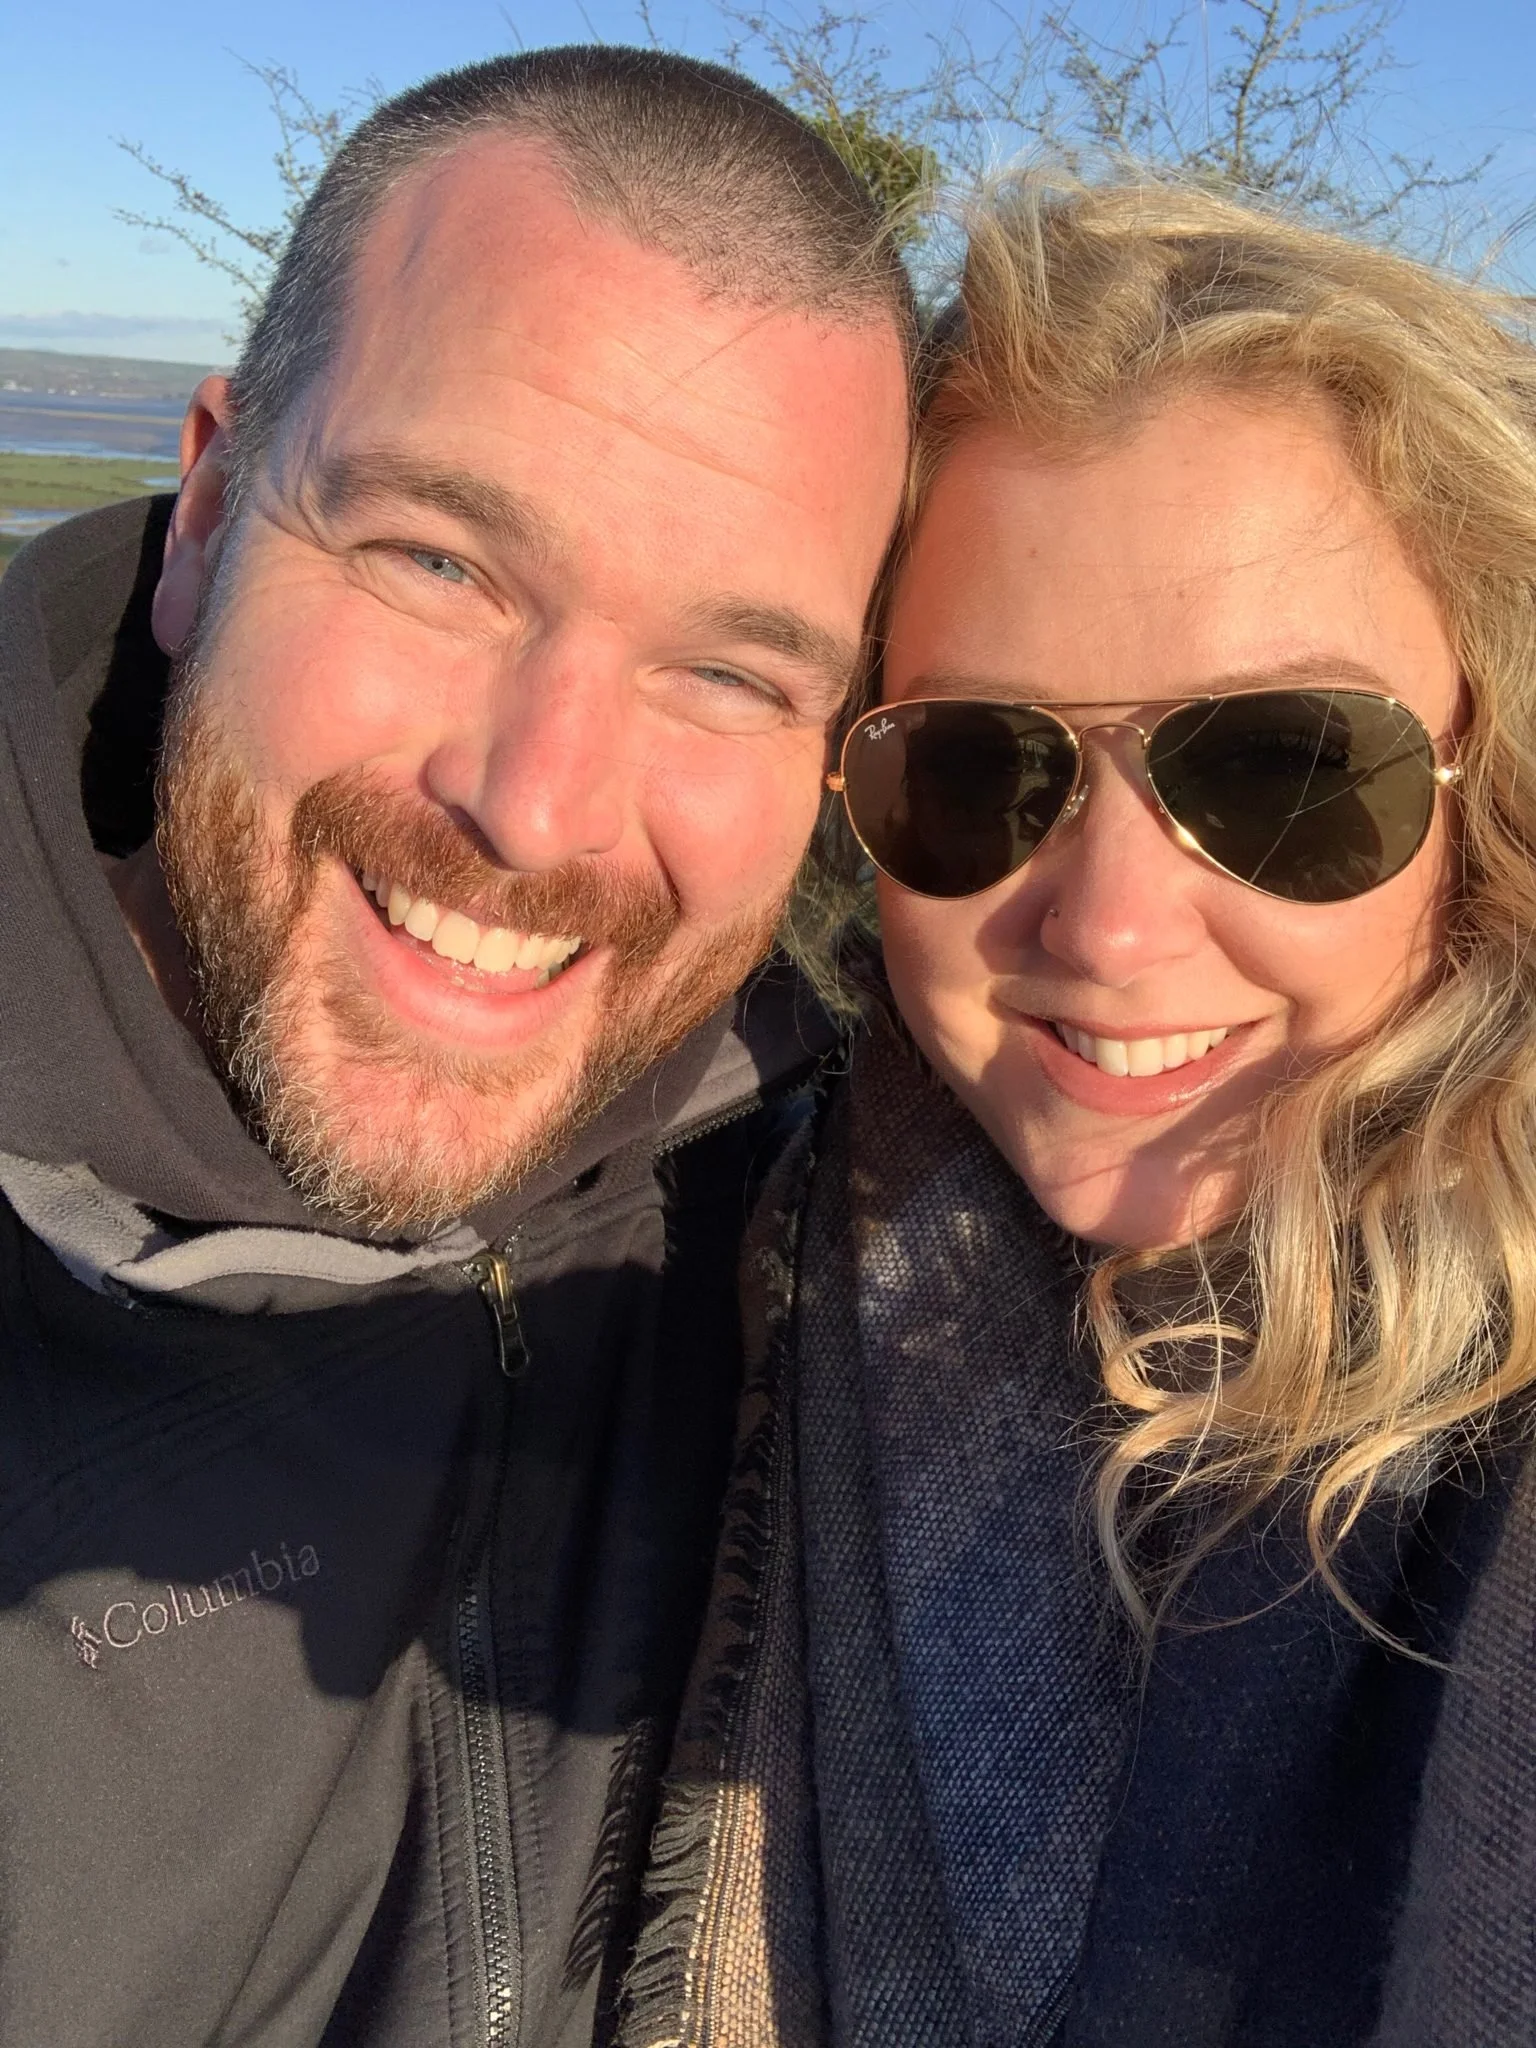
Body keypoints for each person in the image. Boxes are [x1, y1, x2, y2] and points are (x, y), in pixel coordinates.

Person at [0, 46, 910, 2047]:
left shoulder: (847, 1214)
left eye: (729, 670)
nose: (539, 807)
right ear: (208, 512)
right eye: (440, 561)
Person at [625, 175, 1536, 2048]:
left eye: (1286, 767)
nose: (1109, 927)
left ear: (1488, 772)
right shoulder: (723, 1255)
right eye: (977, 765)